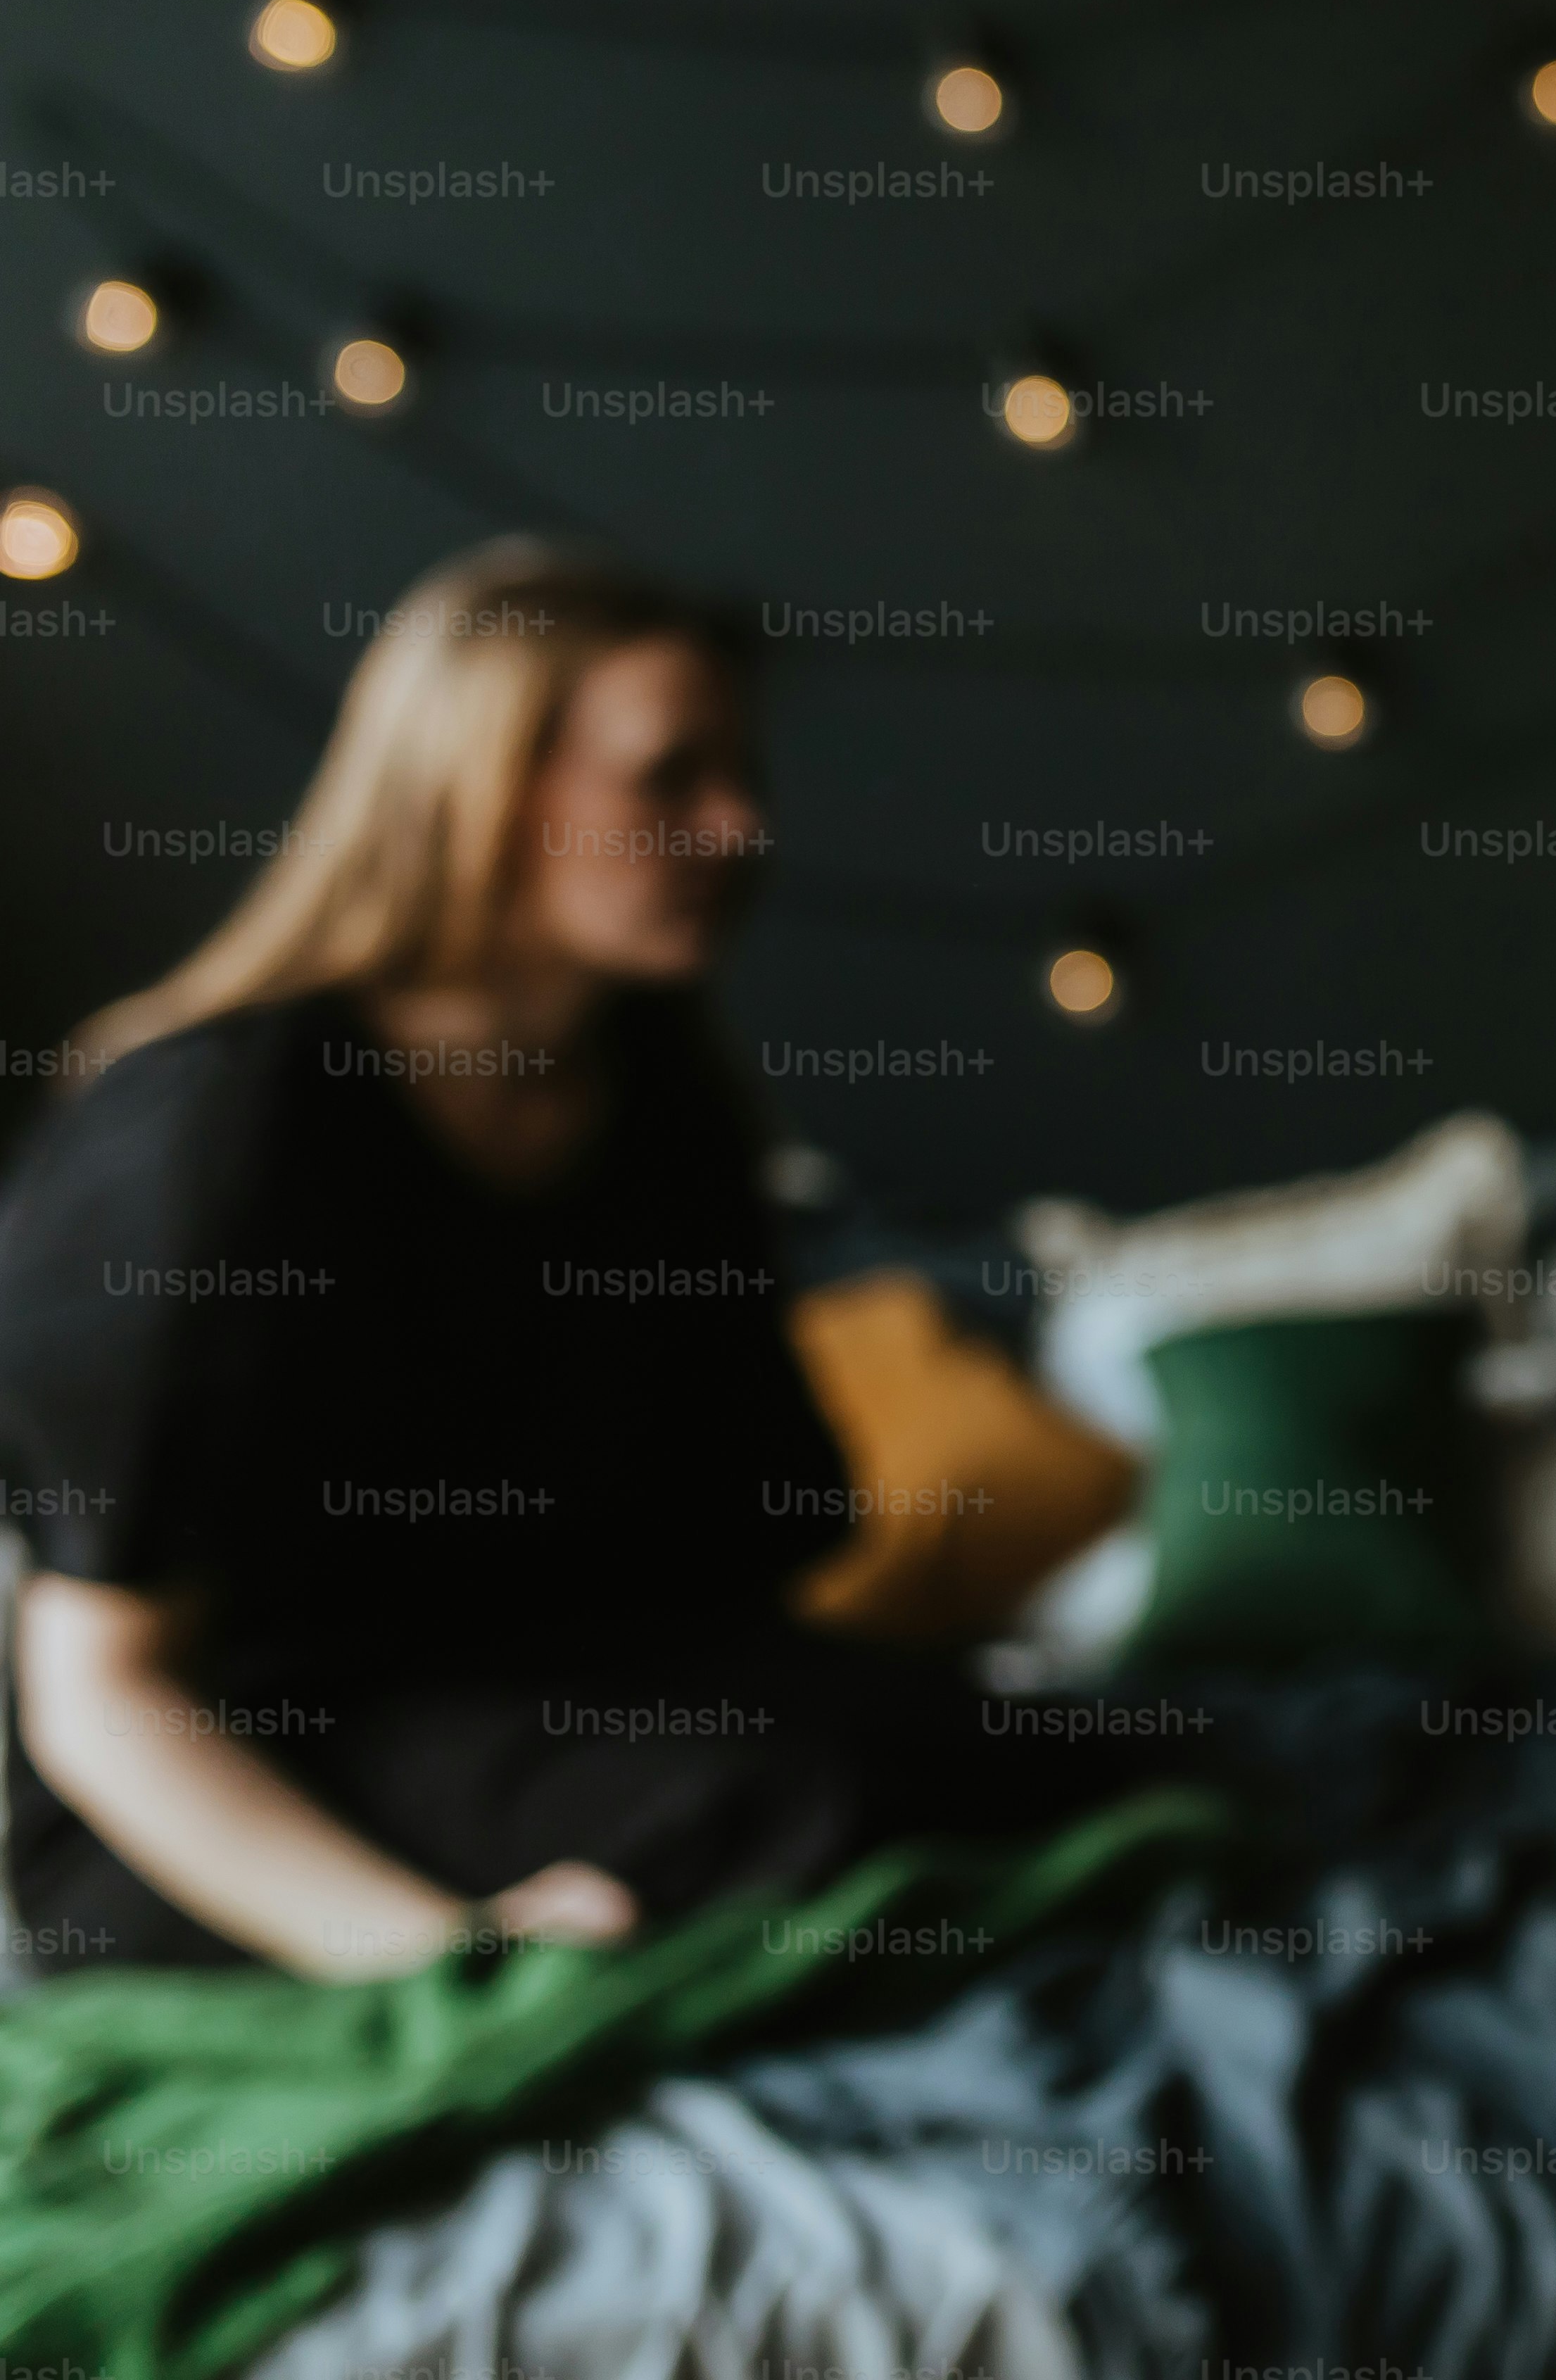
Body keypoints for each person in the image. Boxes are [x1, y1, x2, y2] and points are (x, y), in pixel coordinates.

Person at [0, 539, 1104, 1977]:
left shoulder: (664, 1100)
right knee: (785, 1807)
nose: (736, 826)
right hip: (236, 1785)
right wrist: (444, 1954)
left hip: (552, 1701)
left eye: (743, 775)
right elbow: (100, 1699)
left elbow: (727, 1563)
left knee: (1045, 1754)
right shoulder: (215, 1129)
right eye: (668, 778)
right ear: (481, 785)